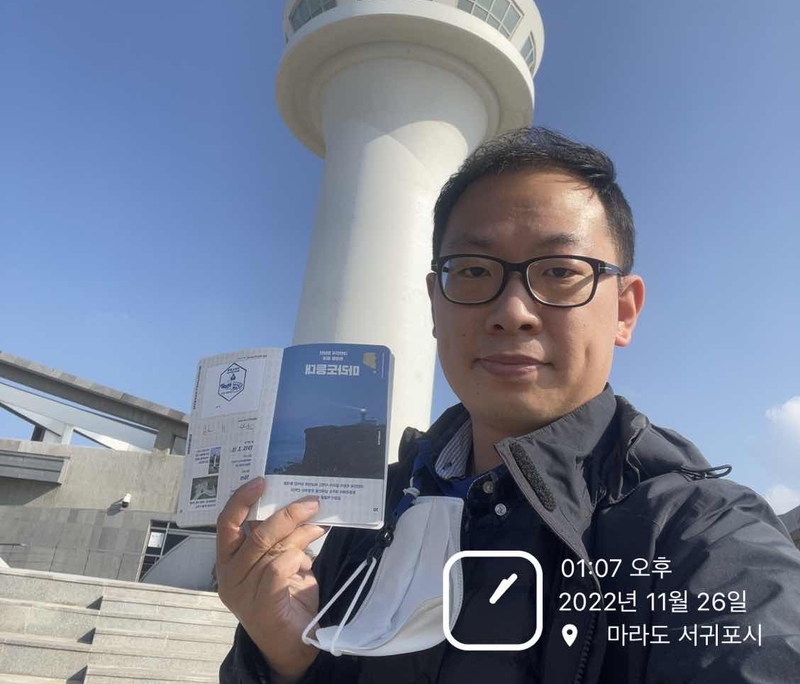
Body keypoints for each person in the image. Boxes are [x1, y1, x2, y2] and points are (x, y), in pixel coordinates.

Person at [216, 127, 800, 683]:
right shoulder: (374, 512)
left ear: (624, 311)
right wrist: (285, 661)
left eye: (561, 271)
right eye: (473, 270)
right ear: (435, 304)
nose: (512, 312)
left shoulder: (702, 536)